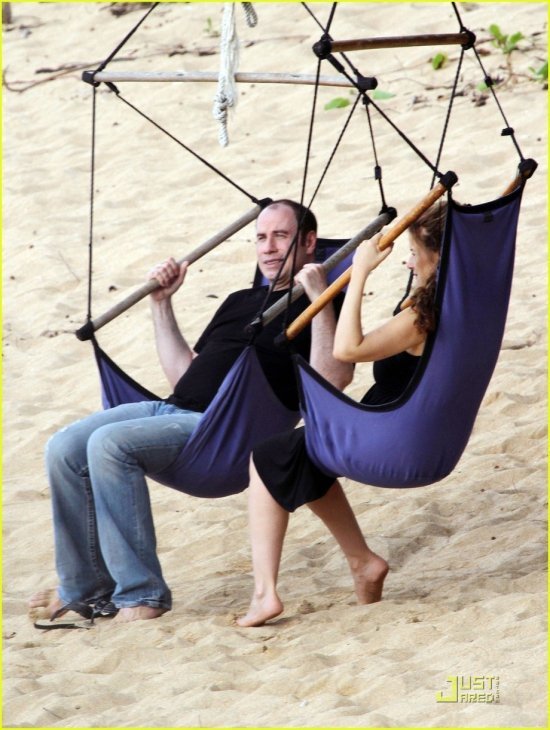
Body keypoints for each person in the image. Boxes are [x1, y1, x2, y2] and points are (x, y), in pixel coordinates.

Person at [29, 200, 353, 624]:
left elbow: (334, 378)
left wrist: (320, 298)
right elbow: (185, 375)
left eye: (281, 236)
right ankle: (86, 591)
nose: (269, 248)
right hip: (172, 410)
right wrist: (161, 304)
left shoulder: (321, 304)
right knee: (64, 447)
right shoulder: (240, 301)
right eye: (261, 237)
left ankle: (142, 595)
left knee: (109, 444)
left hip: (224, 432)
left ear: (310, 242)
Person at [237, 201, 446, 627]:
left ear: (438, 258)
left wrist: (360, 273)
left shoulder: (421, 318)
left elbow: (347, 349)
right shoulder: (461, 302)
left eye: (414, 253)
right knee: (302, 454)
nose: (408, 261)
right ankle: (363, 562)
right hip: (417, 430)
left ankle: (264, 594)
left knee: (268, 456)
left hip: (388, 437)